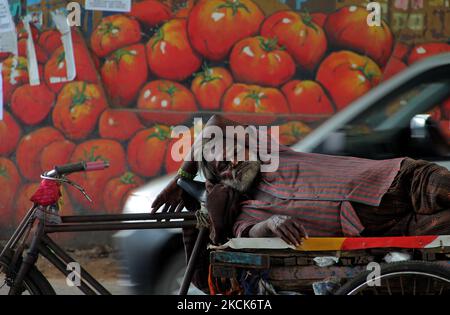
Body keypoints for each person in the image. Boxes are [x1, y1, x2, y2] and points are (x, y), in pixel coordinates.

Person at [151, 115, 450, 247]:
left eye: (231, 149)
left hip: (404, 180)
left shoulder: (269, 152)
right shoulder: (243, 213)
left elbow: (214, 122)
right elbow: (248, 234)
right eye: (222, 165)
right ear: (223, 181)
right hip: (393, 229)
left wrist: (183, 176)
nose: (232, 159)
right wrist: (271, 224)